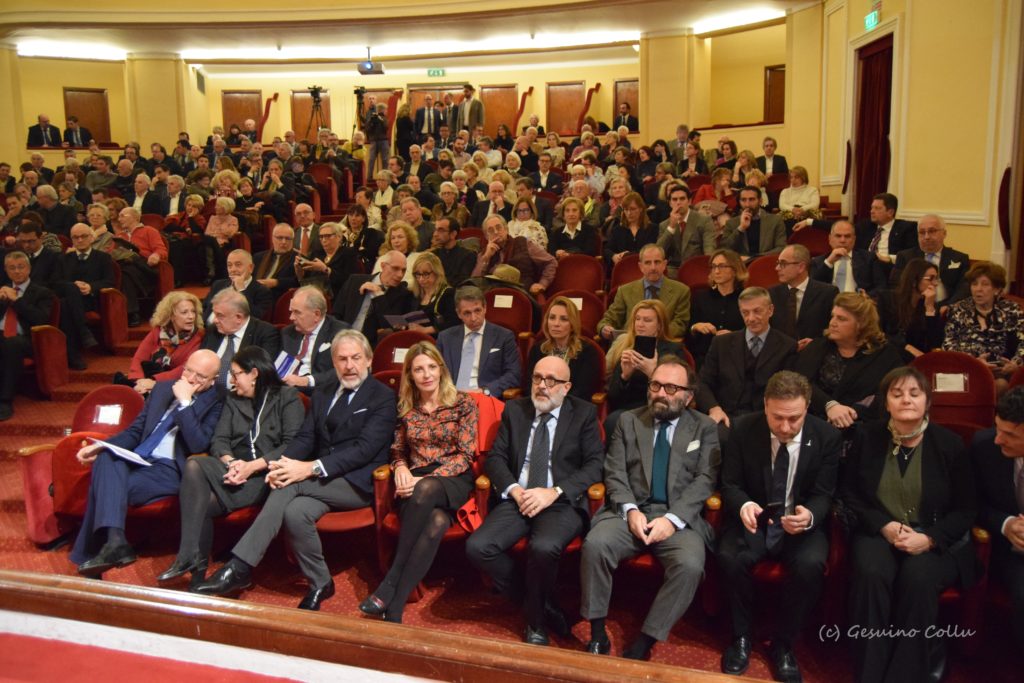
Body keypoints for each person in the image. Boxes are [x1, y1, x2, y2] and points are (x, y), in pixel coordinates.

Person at [194, 331, 398, 610]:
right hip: (321, 480)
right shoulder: (324, 392)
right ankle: (321, 582)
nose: (349, 366)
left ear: (369, 360)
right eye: (342, 359)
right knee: (296, 512)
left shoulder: (383, 397)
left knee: (289, 484)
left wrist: (309, 468)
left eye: (356, 358)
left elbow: (364, 450)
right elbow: (305, 438)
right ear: (334, 363)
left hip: (357, 482)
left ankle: (240, 567)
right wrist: (282, 464)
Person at [844, 366, 977, 683]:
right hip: (879, 532)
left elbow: (967, 509)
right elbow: (849, 493)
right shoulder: (866, 436)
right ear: (885, 402)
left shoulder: (950, 445)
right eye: (897, 393)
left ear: (927, 402)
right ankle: (869, 674)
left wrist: (929, 538)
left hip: (933, 537)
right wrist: (883, 526)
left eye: (914, 394)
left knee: (918, 579)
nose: (906, 400)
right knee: (871, 572)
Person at [580, 357, 719, 660]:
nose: (661, 393)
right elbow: (614, 472)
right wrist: (630, 510)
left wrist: (673, 519)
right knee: (596, 544)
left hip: (678, 518)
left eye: (671, 388)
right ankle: (597, 630)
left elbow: (705, 480)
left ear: (688, 396)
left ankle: (646, 641)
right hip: (629, 512)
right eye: (655, 385)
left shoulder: (705, 428)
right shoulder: (627, 421)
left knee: (690, 565)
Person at [466, 355, 604, 644]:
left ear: (566, 387)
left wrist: (554, 492)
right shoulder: (516, 410)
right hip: (520, 496)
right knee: (478, 547)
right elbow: (496, 459)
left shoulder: (583, 413)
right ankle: (538, 603)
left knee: (543, 547)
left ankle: (536, 623)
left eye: (551, 381)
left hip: (560, 501)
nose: (542, 386)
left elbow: (594, 465)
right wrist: (516, 490)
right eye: (538, 378)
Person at [718, 371, 840, 681]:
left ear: (808, 407)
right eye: (777, 418)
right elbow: (730, 483)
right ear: (765, 405)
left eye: (794, 418)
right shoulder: (743, 429)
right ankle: (741, 636)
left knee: (811, 564)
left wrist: (809, 516)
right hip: (757, 518)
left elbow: (824, 494)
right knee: (732, 556)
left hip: (799, 523)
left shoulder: (826, 436)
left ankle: (784, 643)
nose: (785, 427)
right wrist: (744, 505)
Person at [157, 347, 305, 588]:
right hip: (234, 469)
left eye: (236, 374)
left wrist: (251, 467)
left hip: (268, 476)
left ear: (254, 374)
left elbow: (292, 445)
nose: (232, 381)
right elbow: (219, 440)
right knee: (195, 464)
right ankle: (191, 562)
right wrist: (231, 462)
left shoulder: (287, 397)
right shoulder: (234, 399)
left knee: (201, 504)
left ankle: (193, 567)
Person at [69, 350, 224, 575]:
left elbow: (198, 444)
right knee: (105, 457)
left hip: (171, 469)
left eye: (200, 376)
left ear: (213, 380)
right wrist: (102, 445)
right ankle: (115, 541)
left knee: (105, 487)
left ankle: (106, 548)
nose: (190, 379)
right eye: (188, 371)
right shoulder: (162, 389)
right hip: (140, 459)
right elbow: (136, 431)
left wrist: (185, 403)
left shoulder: (218, 400)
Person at [360, 342, 478, 622]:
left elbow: (465, 455)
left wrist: (422, 479)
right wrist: (400, 466)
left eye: (432, 367)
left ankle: (390, 580)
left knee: (425, 488)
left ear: (441, 370)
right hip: (415, 483)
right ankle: (396, 607)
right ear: (410, 375)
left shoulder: (463, 403)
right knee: (436, 522)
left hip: (453, 478)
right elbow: (397, 450)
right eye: (418, 369)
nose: (426, 374)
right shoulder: (406, 408)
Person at [793, 292, 904, 428]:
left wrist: (852, 413)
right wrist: (829, 405)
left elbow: (889, 393)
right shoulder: (817, 346)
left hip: (864, 426)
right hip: (814, 423)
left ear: (861, 324)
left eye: (841, 319)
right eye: (833, 316)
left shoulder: (885, 355)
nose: (832, 323)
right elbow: (799, 382)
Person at [697, 286, 797, 431]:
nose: (751, 318)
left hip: (766, 421)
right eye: (745, 312)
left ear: (770, 310)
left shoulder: (787, 346)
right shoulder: (721, 343)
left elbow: (787, 391)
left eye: (757, 311)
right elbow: (702, 383)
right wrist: (714, 409)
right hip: (725, 417)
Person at [971, 386, 1024, 648]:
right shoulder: (984, 446)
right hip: (1013, 552)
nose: (998, 439)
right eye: (997, 429)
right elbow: (972, 504)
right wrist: (1007, 524)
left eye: (1010, 434)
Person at [942, 261, 1024, 393]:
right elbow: (948, 344)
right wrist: (974, 362)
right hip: (966, 369)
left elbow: (1023, 341)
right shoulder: (958, 310)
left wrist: (1016, 363)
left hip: (1000, 371)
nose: (978, 289)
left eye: (985, 284)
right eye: (974, 284)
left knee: (1000, 384)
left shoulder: (1012, 310)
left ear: (997, 289)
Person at [605, 299, 684, 426]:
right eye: (637, 319)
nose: (640, 324)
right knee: (613, 420)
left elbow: (678, 392)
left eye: (647, 320)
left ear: (659, 325)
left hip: (662, 407)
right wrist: (625, 376)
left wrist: (652, 373)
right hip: (630, 409)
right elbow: (613, 398)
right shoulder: (626, 347)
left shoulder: (673, 350)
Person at [0, 251, 57, 421]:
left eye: (21, 267)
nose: (17, 271)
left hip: (28, 340)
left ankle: (5, 400)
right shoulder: (2, 290)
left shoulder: (42, 292)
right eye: (12, 268)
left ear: (29, 268)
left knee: (12, 343)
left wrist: (17, 300)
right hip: (2, 337)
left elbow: (40, 319)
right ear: (6, 270)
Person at [436, 285, 521, 398]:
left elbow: (513, 375)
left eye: (477, 311)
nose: (473, 318)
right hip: (451, 398)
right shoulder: (445, 337)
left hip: (484, 397)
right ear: (458, 314)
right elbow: (435, 372)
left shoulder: (503, 336)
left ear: (485, 308)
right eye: (467, 313)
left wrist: (485, 391)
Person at [599, 244, 691, 341]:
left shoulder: (681, 291)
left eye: (657, 262)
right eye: (647, 263)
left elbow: (680, 324)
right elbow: (609, 319)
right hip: (630, 343)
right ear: (640, 266)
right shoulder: (624, 291)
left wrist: (656, 333)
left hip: (663, 343)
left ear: (664, 264)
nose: (653, 267)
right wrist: (604, 328)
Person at [120, 291, 205, 395]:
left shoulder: (199, 337)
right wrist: (139, 381)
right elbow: (139, 358)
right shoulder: (158, 331)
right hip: (146, 382)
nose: (191, 316)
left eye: (193, 312)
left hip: (175, 385)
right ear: (171, 315)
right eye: (184, 312)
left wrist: (154, 381)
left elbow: (185, 368)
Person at [525, 297, 602, 400]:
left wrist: (554, 403)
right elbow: (529, 385)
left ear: (572, 324)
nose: (556, 324)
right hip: (540, 403)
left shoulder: (587, 351)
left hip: (571, 405)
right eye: (552, 318)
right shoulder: (538, 349)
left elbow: (583, 391)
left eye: (564, 319)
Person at [199, 289, 281, 383]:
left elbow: (262, 372)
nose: (215, 320)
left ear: (239, 317)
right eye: (214, 314)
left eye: (220, 315)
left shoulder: (265, 333)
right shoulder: (213, 330)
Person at [335, 250, 415, 344]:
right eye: (395, 268)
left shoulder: (403, 295)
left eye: (403, 270)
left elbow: (394, 326)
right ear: (383, 266)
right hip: (344, 338)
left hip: (371, 345)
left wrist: (379, 295)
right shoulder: (355, 281)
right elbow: (337, 313)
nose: (400, 275)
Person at [768, 244, 838, 351]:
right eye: (778, 263)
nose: (777, 268)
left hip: (815, 353)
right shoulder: (771, 294)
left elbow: (834, 330)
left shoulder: (828, 293)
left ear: (801, 267)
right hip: (780, 354)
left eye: (783, 264)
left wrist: (816, 344)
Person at [279, 286, 346, 394]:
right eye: (291, 311)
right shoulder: (287, 333)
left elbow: (343, 369)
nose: (291, 317)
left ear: (316, 314)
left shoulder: (340, 332)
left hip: (319, 391)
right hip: (286, 390)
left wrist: (306, 381)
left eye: (297, 312)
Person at [892, 214, 970, 307]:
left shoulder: (959, 258)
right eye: (922, 232)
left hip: (948, 308)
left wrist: (949, 306)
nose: (926, 237)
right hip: (914, 308)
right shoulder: (906, 257)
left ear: (944, 233)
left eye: (932, 231)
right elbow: (897, 285)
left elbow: (963, 289)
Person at [877, 258, 944, 360]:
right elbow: (880, 333)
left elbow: (935, 343)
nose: (935, 283)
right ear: (913, 281)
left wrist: (929, 309)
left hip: (919, 359)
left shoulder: (932, 305)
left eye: (936, 279)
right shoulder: (887, 299)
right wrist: (907, 347)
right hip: (892, 354)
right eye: (930, 279)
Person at [473, 214, 557, 295]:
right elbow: (475, 281)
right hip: (494, 294)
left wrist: (542, 284)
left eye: (498, 227)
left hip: (521, 292)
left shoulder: (523, 243)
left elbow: (551, 261)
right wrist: (486, 257)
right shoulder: (485, 253)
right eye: (491, 230)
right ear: (486, 236)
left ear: (506, 229)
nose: (496, 232)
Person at [687, 249, 746, 363]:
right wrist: (695, 327)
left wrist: (735, 336)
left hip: (737, 358)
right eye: (713, 267)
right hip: (704, 358)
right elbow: (687, 334)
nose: (717, 271)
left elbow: (755, 333)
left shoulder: (746, 298)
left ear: (735, 270)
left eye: (722, 266)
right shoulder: (700, 297)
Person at [810, 219, 887, 296]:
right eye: (838, 236)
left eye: (847, 236)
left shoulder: (869, 259)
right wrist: (829, 262)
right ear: (830, 239)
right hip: (830, 302)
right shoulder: (818, 261)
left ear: (854, 239)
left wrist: (867, 296)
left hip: (858, 301)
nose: (842, 240)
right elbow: (812, 288)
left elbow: (881, 287)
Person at [202, 249, 274, 323]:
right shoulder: (218, 284)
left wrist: (241, 290)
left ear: (251, 268)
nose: (233, 269)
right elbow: (204, 308)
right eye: (229, 265)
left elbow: (255, 318)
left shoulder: (262, 291)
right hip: (207, 327)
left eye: (238, 265)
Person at [715, 186, 786, 257]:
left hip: (765, 261)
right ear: (739, 202)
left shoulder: (775, 220)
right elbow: (724, 249)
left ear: (760, 201)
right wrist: (741, 228)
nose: (747, 204)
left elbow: (781, 248)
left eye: (751, 199)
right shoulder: (731, 223)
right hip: (741, 262)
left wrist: (754, 258)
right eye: (743, 200)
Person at [296, 222, 357, 299]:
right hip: (315, 295)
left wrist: (325, 269)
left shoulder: (348, 253)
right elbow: (306, 280)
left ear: (339, 237)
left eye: (328, 236)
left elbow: (348, 280)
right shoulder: (316, 254)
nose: (324, 240)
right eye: (321, 237)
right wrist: (299, 270)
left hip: (338, 295)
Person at [656, 185, 712, 270]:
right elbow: (658, 253)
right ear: (670, 203)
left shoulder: (704, 221)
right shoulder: (664, 225)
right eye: (675, 199)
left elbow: (709, 249)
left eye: (682, 199)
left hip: (697, 268)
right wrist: (671, 227)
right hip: (673, 270)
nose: (678, 202)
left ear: (689, 201)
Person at [603, 192, 659, 268]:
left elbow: (650, 251)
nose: (629, 213)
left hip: (646, 268)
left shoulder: (652, 229)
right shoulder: (618, 229)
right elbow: (607, 249)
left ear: (641, 209)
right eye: (626, 209)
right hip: (624, 267)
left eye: (633, 209)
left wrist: (628, 255)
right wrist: (613, 256)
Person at [408, 252, 456, 335]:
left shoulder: (448, 294)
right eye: (418, 274)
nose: (421, 279)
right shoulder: (414, 294)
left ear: (437, 272)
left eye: (426, 274)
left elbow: (454, 322)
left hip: (438, 339)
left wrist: (426, 330)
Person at [253, 223, 299, 302]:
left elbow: (298, 281)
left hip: (278, 297)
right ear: (272, 238)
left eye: (288, 238)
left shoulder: (297, 258)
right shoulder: (258, 257)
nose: (284, 242)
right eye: (280, 238)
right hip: (255, 295)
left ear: (293, 240)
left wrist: (276, 282)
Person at [430, 216, 475, 287]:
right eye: (435, 230)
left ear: (453, 234)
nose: (435, 234)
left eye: (441, 230)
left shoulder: (467, 255)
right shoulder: (433, 255)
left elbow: (461, 281)